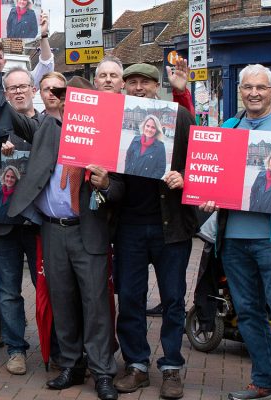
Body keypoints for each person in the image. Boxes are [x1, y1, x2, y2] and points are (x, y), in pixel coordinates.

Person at [199, 64, 271, 400]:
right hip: (234, 239)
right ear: (240, 90)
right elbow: (215, 177)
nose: (253, 93)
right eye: (247, 87)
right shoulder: (228, 127)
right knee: (248, 312)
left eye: (261, 88)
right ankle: (265, 379)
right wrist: (208, 195)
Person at [6, 76, 122, 400]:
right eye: (69, 101)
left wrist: (107, 183)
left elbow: (121, 189)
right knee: (62, 300)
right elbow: (15, 117)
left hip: (89, 232)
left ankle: (102, 373)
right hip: (53, 229)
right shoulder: (48, 128)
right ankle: (71, 365)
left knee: (96, 305)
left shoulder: (104, 139)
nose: (72, 107)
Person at [111, 62, 197, 400]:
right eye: (131, 82)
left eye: (144, 82)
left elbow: (205, 161)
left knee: (173, 299)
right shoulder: (117, 121)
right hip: (129, 226)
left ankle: (171, 366)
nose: (137, 88)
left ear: (156, 86)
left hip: (171, 226)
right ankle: (137, 365)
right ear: (124, 87)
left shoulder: (180, 118)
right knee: (130, 298)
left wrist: (185, 177)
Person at [0, 66, 42, 375]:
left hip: (38, 222)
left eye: (24, 86)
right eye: (13, 88)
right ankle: (15, 349)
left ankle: (55, 346)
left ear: (33, 89)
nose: (19, 91)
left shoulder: (47, 124)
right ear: (5, 94)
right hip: (1, 221)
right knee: (7, 290)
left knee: (44, 287)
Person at [122, 114, 167, 179]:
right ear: (144, 126)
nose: (149, 129)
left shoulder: (160, 146)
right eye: (147, 126)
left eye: (153, 127)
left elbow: (161, 169)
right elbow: (128, 156)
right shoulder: (135, 139)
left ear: (156, 130)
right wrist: (127, 171)